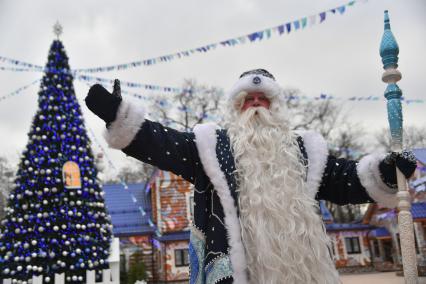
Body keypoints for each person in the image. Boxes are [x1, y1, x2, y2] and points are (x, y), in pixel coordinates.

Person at [85, 69, 416, 284]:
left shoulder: (305, 151)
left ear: (276, 107)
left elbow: (346, 179)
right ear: (236, 107)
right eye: (248, 100)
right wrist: (121, 117)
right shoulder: (211, 147)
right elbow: (164, 144)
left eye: (263, 99)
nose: (256, 106)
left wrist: (385, 172)